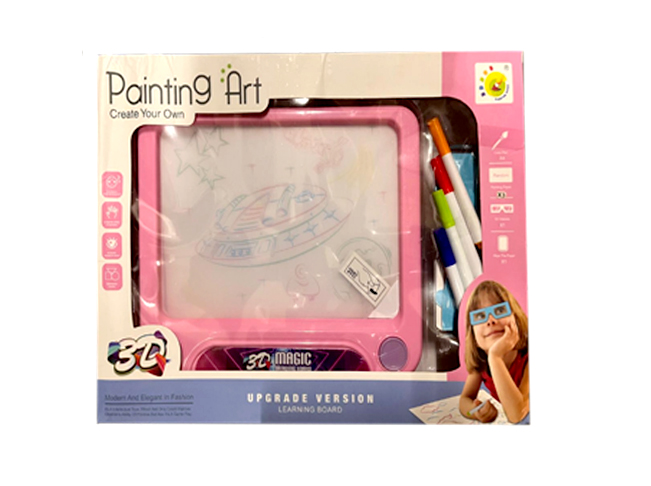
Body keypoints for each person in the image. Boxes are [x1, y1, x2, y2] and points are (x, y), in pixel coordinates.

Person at [459, 280, 529, 423]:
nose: (490, 320)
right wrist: (475, 412)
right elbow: (464, 400)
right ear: (473, 335)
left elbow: (517, 414)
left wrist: (495, 357)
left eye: (500, 310)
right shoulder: (482, 363)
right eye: (480, 316)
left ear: (516, 318)